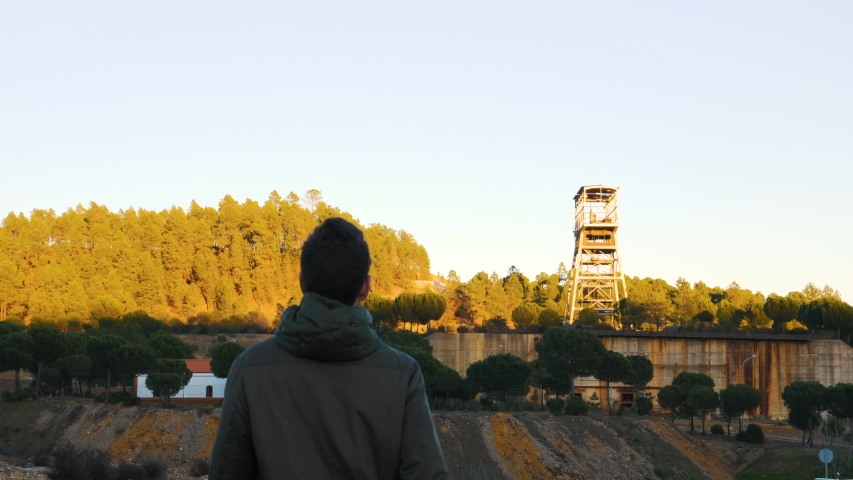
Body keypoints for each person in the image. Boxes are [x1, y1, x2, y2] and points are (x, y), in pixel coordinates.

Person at [209, 217, 448, 479]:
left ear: (302, 283)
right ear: (366, 287)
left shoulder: (250, 368)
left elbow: (226, 472)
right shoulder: (403, 373)